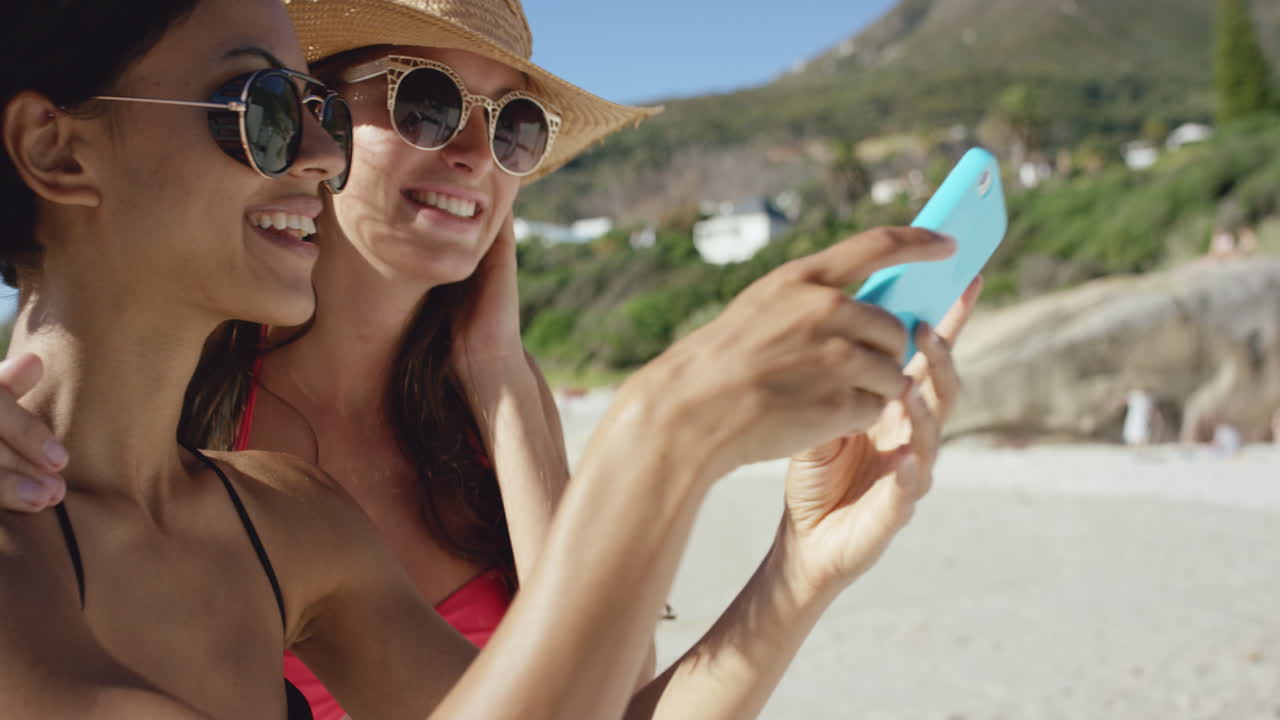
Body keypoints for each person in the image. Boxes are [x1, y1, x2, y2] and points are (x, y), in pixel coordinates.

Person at [0, 0, 976, 716]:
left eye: (315, 107)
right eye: (257, 105)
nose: (315, 152)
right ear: (56, 150)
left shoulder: (289, 519)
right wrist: (660, 437)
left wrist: (798, 568)